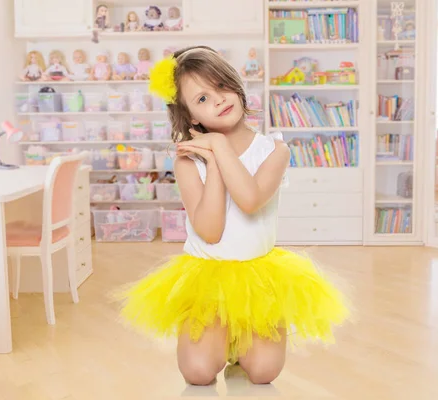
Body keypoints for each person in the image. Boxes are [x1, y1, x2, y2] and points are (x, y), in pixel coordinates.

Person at [117, 46, 349, 386]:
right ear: (192, 117)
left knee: (263, 372)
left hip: (260, 274)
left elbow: (250, 200)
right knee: (197, 372)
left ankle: (240, 349)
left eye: (221, 86)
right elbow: (210, 231)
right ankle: (222, 341)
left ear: (236, 86)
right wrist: (211, 162)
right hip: (206, 274)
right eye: (202, 99)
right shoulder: (187, 162)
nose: (219, 100)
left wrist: (221, 148)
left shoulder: (275, 150)